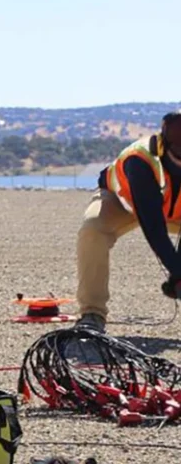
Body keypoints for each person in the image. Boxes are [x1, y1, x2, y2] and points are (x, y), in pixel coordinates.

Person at [75, 110, 181, 332]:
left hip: (172, 210)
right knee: (93, 229)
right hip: (122, 202)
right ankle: (92, 314)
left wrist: (176, 274)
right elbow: (153, 227)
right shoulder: (141, 159)